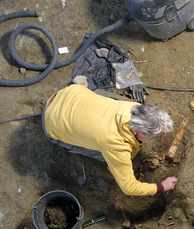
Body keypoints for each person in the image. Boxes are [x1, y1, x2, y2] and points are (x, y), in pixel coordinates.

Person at [43, 84, 177, 196]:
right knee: (104, 154)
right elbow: (129, 188)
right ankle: (108, 163)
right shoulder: (116, 145)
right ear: (142, 132)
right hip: (51, 122)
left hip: (66, 94)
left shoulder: (130, 106)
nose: (153, 138)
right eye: (152, 136)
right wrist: (161, 186)